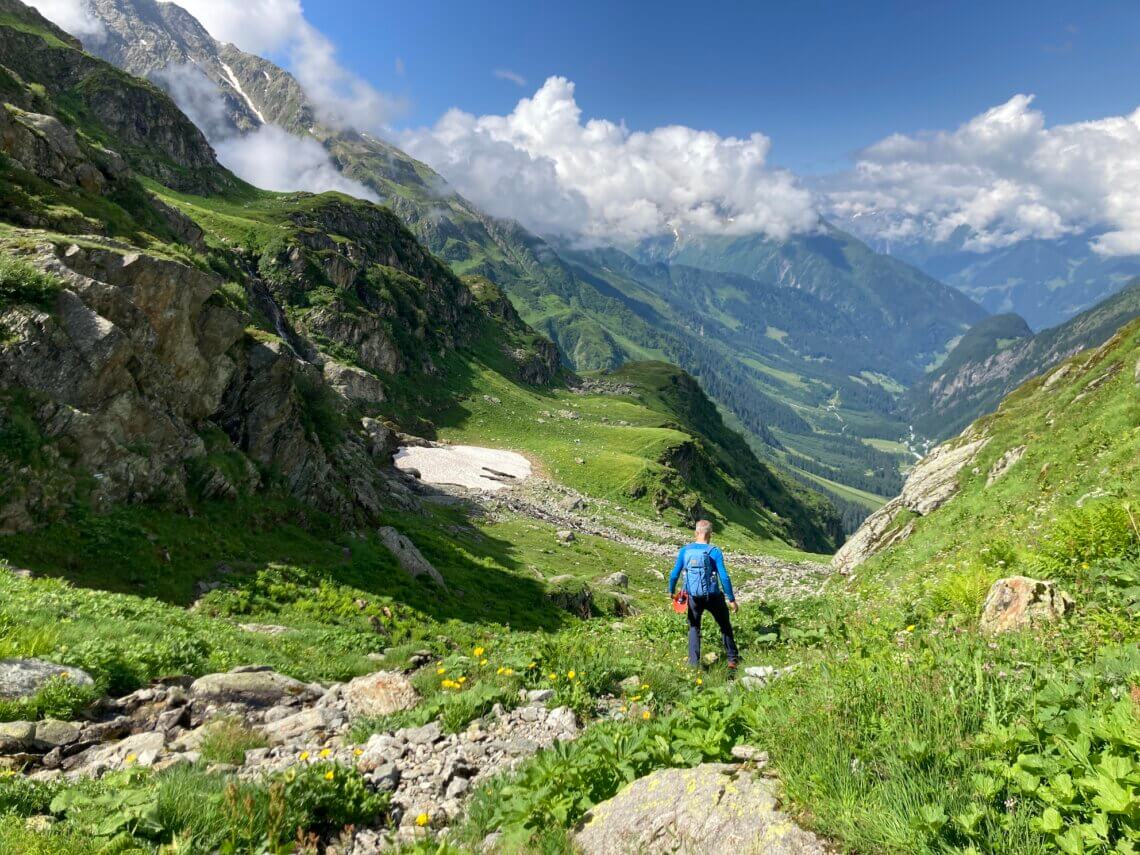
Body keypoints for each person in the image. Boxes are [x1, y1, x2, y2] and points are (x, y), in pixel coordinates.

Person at [667, 519, 740, 669]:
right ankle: (732, 659)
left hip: (693, 596)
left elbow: (674, 574)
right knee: (725, 625)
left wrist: (671, 590)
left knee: (694, 627)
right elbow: (724, 577)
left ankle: (693, 663)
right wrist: (731, 599)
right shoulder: (714, 551)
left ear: (696, 533)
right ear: (710, 534)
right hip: (713, 596)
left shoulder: (685, 550)